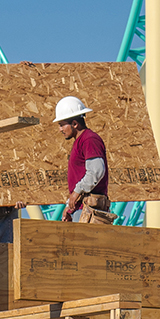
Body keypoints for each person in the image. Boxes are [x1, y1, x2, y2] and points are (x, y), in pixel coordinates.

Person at [54, 96, 115, 224]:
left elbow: (96, 171)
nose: (60, 129)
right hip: (82, 209)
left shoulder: (89, 140)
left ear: (75, 124)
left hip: (90, 210)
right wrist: (69, 207)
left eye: (62, 125)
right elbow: (79, 178)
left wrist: (76, 192)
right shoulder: (81, 141)